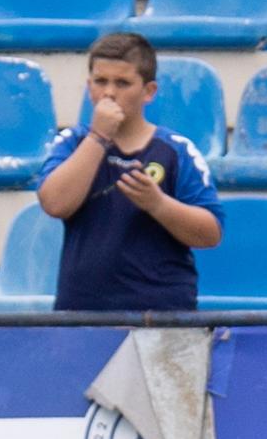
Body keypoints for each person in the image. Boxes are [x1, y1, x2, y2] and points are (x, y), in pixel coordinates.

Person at [38, 32, 224, 312]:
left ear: (149, 91)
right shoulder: (72, 142)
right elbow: (54, 204)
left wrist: (158, 204)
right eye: (101, 82)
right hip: (82, 313)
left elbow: (210, 234)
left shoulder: (176, 151)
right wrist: (99, 136)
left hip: (163, 314)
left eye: (122, 83)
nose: (109, 93)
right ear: (89, 87)